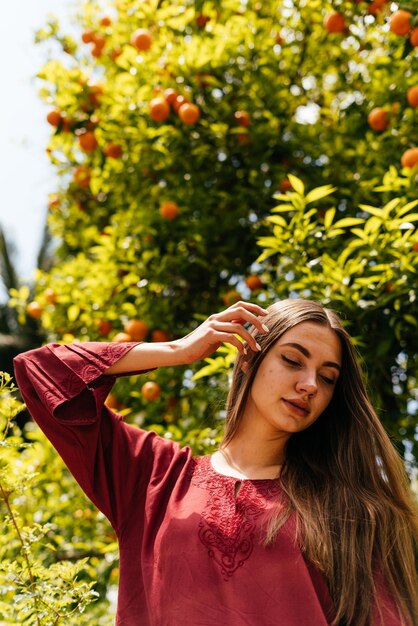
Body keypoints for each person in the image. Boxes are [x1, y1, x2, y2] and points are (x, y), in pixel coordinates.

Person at [13, 298, 418, 626]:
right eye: (293, 360)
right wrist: (179, 350)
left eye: (327, 377)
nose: (309, 384)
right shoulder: (154, 476)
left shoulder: (350, 508)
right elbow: (41, 370)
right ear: (247, 359)